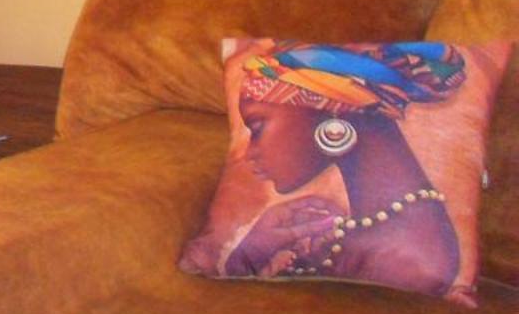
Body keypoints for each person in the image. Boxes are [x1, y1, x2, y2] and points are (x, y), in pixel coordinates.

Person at [186, 42, 467, 298]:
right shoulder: (386, 228)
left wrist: (247, 258)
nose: (249, 154)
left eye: (258, 127)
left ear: (332, 111)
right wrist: (249, 254)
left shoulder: (408, 258)